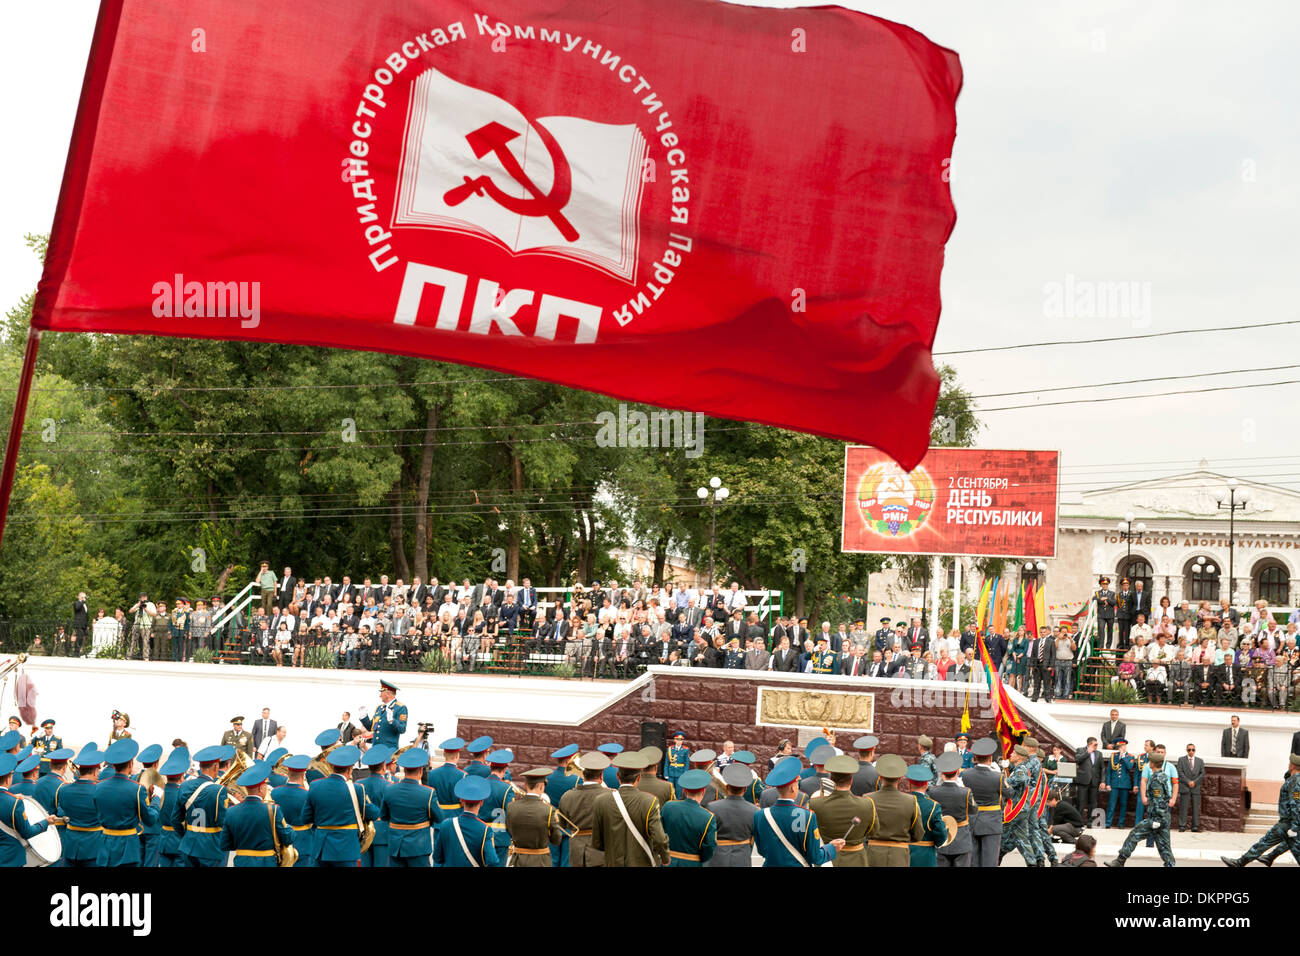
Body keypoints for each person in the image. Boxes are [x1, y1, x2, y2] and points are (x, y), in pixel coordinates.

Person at [754, 756, 842, 867]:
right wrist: (831, 848)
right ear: (792, 788)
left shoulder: (760, 815)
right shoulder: (807, 815)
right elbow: (815, 857)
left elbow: (761, 850)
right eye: (796, 783)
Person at [303, 744, 380, 867]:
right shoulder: (357, 789)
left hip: (322, 848)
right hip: (347, 849)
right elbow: (374, 814)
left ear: (332, 767)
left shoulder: (315, 786)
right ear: (350, 769)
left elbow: (305, 818)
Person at [590, 751, 670, 866]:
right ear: (639, 777)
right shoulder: (650, 801)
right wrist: (665, 858)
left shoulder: (600, 801)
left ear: (618, 776)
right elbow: (660, 839)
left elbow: (597, 843)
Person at [1222, 754, 1300, 867]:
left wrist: (1294, 827)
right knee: (1277, 843)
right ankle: (1262, 859)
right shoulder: (1293, 779)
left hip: (1288, 823)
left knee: (1265, 842)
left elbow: (1296, 804)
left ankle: (1240, 863)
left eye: (1290, 763)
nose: (1288, 764)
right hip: (1289, 823)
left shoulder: (1295, 781)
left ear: (1292, 765)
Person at [1106, 750, 1177, 867]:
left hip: (1157, 818)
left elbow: (1159, 800)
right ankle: (1170, 865)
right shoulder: (1162, 775)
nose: (1149, 762)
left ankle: (1120, 861)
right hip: (1163, 818)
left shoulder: (1156, 779)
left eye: (1150, 761)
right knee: (1164, 845)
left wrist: (1156, 820)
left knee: (1134, 834)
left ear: (1153, 763)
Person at [218, 761, 294, 867]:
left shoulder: (231, 811)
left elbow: (225, 844)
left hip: (241, 862)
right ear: (260, 788)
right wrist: (289, 828)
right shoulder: (273, 810)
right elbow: (287, 838)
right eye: (266, 785)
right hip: (266, 862)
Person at [174, 745, 237, 868]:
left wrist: (187, 835)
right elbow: (222, 822)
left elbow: (175, 819)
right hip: (210, 848)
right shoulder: (219, 790)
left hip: (189, 845)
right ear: (215, 766)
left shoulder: (185, 786)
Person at [807, 754, 871, 867]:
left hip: (826, 859)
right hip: (856, 860)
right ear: (851, 781)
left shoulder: (814, 804)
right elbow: (872, 831)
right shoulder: (867, 804)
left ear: (831, 779)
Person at [0, 752, 57, 866]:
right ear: (8, 779)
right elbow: (27, 832)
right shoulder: (15, 803)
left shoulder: (13, 800)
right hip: (10, 859)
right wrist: (46, 822)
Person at [504, 767, 564, 867]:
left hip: (518, 860)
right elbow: (556, 839)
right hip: (541, 861)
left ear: (525, 785)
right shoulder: (548, 810)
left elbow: (509, 831)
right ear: (542, 787)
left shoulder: (511, 807)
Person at [434, 775, 499, 867]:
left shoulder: (446, 824)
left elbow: (437, 857)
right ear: (481, 802)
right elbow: (492, 861)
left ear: (461, 800)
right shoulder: (485, 829)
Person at [558, 751, 609, 867]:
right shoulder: (610, 796)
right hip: (601, 850)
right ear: (601, 776)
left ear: (583, 774)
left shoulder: (567, 796)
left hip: (576, 851)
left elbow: (563, 825)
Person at [928, 752, 977, 867]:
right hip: (962, 839)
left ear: (942, 775)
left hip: (940, 839)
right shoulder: (966, 792)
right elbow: (974, 812)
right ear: (958, 773)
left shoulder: (932, 792)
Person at [660, 769, 718, 866]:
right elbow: (710, 847)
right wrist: (698, 858)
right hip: (692, 863)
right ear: (703, 792)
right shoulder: (708, 817)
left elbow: (660, 834)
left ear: (684, 791)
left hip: (668, 862)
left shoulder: (668, 807)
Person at [960, 738, 1003, 867]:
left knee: (973, 859)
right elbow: (1010, 793)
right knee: (989, 860)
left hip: (972, 819)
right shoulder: (997, 777)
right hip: (991, 822)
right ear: (990, 758)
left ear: (975, 758)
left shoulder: (966, 775)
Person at [705, 763, 758, 867]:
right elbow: (752, 840)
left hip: (717, 859)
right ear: (745, 789)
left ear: (727, 786)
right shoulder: (755, 810)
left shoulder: (712, 807)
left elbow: (708, 839)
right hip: (742, 859)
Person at [1000, 744, 1045, 866]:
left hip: (1016, 810)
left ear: (1019, 757)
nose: (1011, 754)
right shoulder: (1019, 767)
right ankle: (1031, 863)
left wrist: (1003, 780)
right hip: (1020, 810)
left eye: (1013, 753)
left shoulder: (1021, 769)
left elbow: (1019, 780)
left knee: (1004, 836)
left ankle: (996, 858)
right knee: (1020, 838)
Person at [271, 753, 314, 867]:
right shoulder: (308, 794)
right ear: (303, 774)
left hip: (280, 840)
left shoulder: (274, 792)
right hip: (303, 840)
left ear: (288, 773)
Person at [905, 764, 948, 867]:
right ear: (926, 786)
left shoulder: (901, 802)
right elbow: (940, 834)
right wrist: (938, 843)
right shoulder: (933, 806)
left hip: (904, 853)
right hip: (926, 855)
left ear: (909, 785)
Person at [1101, 737, 1137, 829]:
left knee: (1123, 804)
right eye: (1120, 746)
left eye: (1123, 746)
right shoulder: (1113, 756)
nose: (1121, 748)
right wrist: (1108, 783)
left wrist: (1123, 757)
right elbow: (1109, 771)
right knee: (1111, 804)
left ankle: (1121, 823)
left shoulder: (1130, 756)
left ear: (1125, 746)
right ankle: (1108, 823)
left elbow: (1129, 767)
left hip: (1125, 784)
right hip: (1114, 784)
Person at [1176, 743, 1205, 832]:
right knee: (1183, 807)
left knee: (1196, 807)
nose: (1191, 751)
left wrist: (1194, 782)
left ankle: (1195, 826)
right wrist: (1188, 781)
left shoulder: (1200, 761)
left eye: (1193, 750)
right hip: (1185, 786)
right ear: (1186, 750)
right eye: (1189, 750)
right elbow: (1180, 772)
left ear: (1195, 750)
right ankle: (1182, 826)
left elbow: (1202, 773)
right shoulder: (1181, 760)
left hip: (1195, 787)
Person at [1074, 737, 1102, 825]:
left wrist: (1103, 781)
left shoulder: (1099, 754)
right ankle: (1078, 821)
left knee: (1093, 803)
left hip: (1094, 781)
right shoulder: (1080, 750)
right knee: (1080, 802)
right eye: (1095, 744)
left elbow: (1102, 768)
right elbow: (1077, 759)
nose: (1096, 746)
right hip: (1083, 780)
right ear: (1089, 744)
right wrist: (1087, 753)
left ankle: (1091, 822)